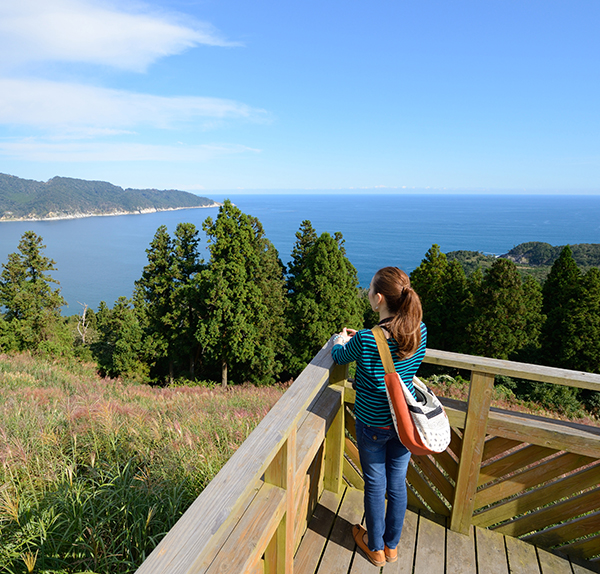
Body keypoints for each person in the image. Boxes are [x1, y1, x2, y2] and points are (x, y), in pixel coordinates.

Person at [331, 266, 427, 567]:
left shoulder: (368, 339)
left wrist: (339, 341)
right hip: (403, 424)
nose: (370, 293)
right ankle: (392, 546)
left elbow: (339, 357)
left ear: (379, 298)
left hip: (372, 423)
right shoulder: (419, 331)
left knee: (375, 485)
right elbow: (394, 348)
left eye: (371, 289)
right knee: (397, 483)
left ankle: (374, 548)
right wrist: (362, 338)